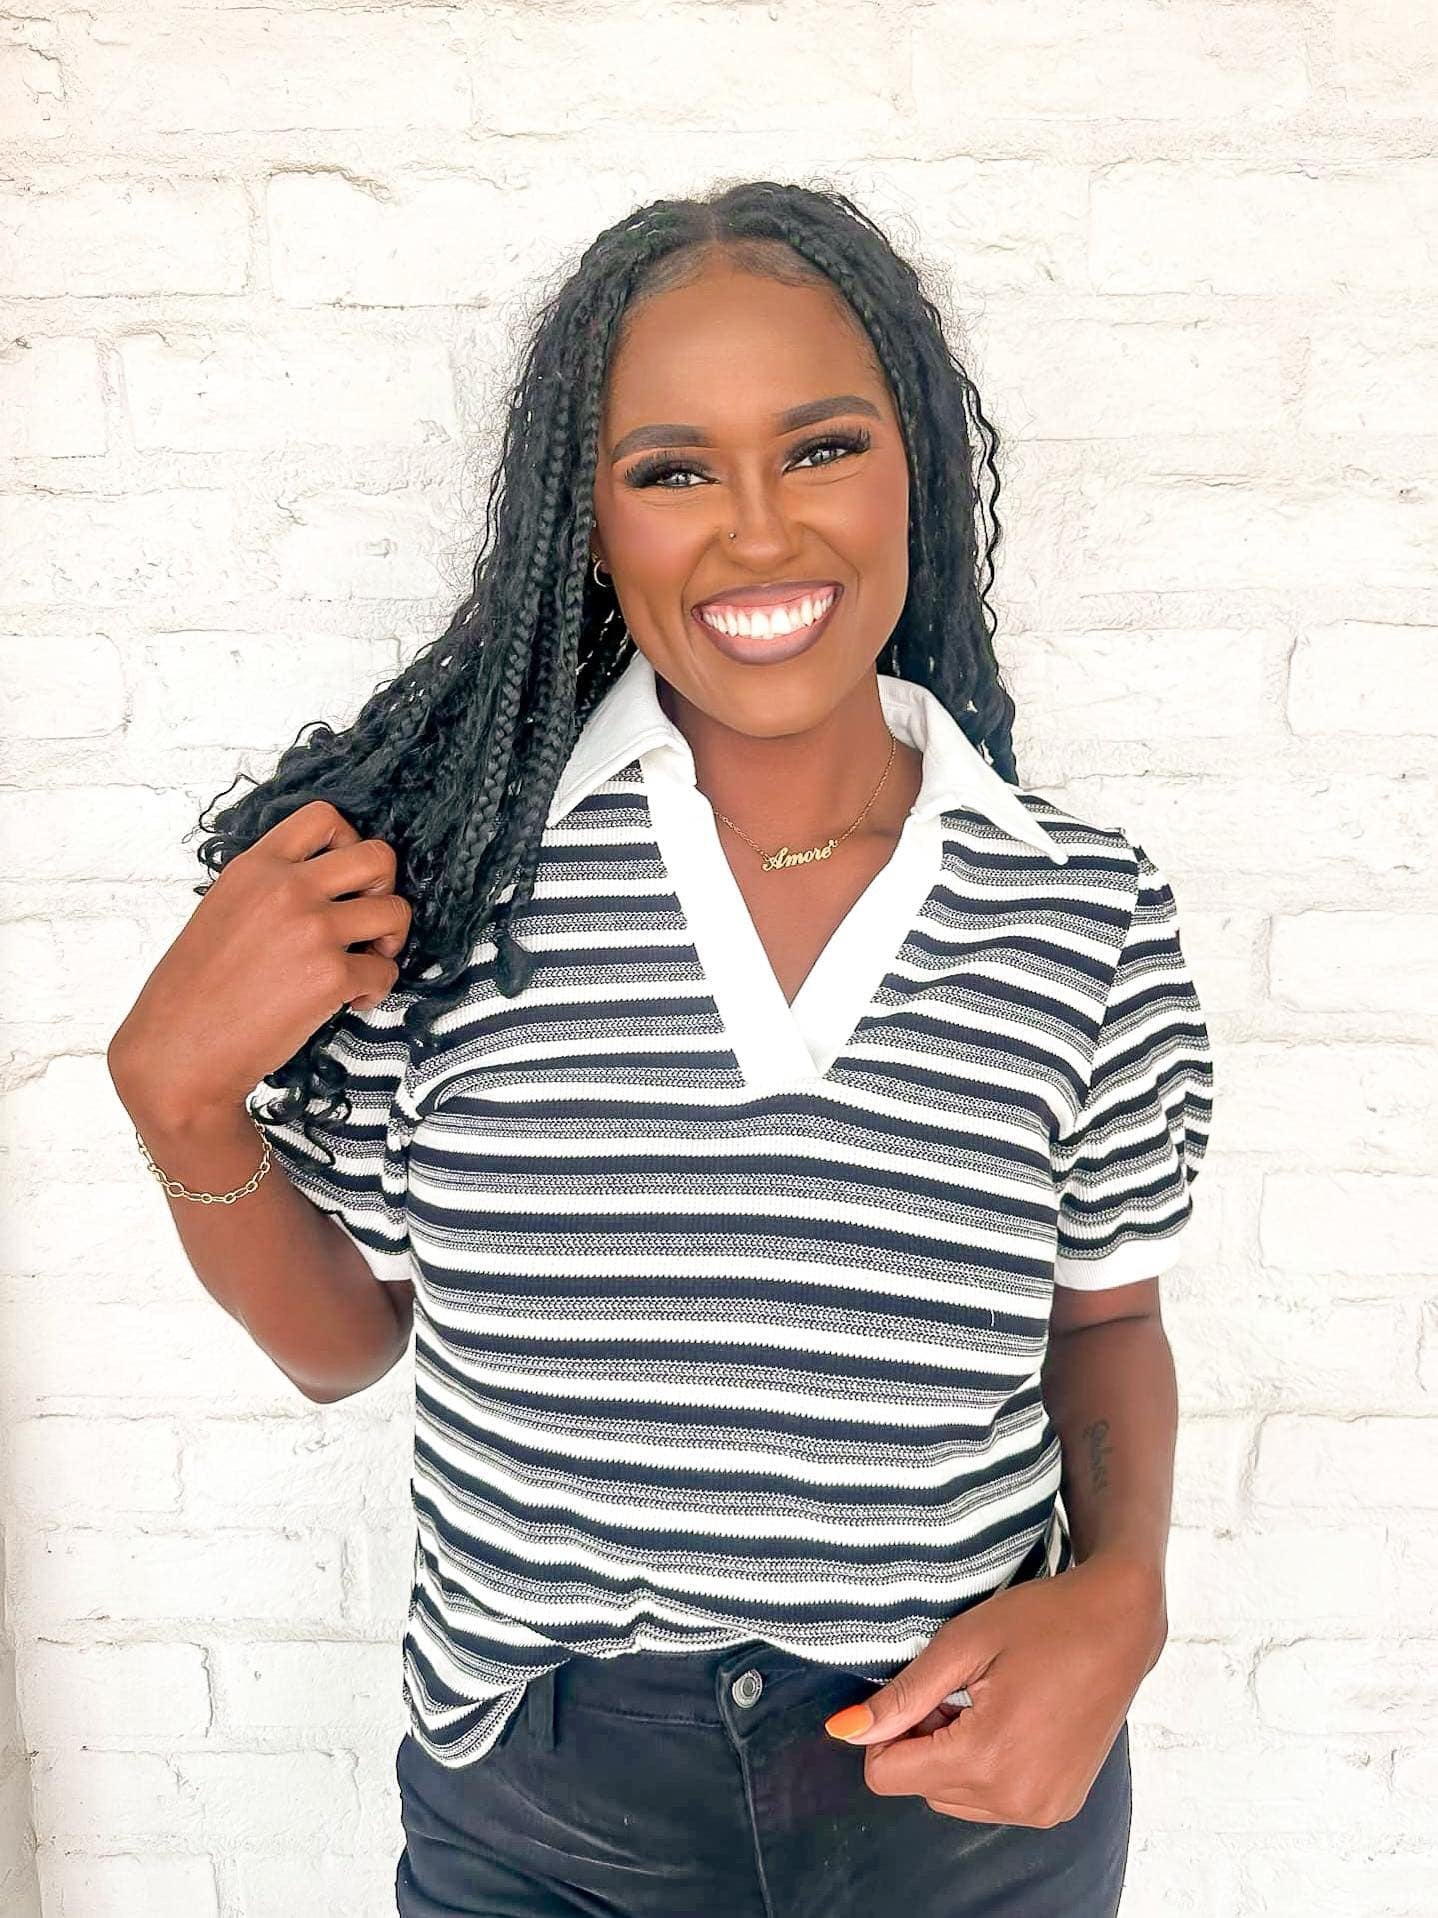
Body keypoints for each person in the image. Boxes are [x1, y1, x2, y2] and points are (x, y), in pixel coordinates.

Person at [108, 179, 1215, 1917]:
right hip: (546, 1820)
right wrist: (175, 1100)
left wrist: (1125, 1590)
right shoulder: (444, 887)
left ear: (915, 470)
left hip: (967, 1799)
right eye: (674, 470)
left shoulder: (1078, 906)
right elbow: (342, 1345)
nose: (759, 534)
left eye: (822, 447)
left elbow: (1107, 1317)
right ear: (590, 519)